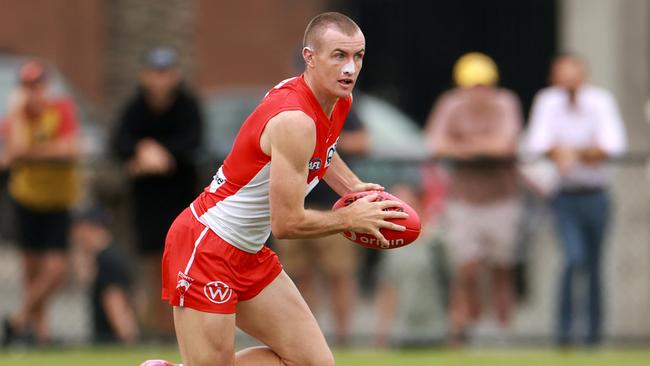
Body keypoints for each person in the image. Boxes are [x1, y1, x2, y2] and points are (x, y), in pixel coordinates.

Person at [142, 12, 408, 366]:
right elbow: (287, 224)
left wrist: (353, 185)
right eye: (339, 56)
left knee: (315, 363)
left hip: (248, 252)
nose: (350, 69)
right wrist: (348, 218)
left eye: (357, 56)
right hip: (206, 245)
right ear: (309, 57)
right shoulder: (293, 120)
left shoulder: (338, 100)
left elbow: (323, 150)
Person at [525, 54, 626, 346]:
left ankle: (594, 336)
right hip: (564, 197)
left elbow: (612, 145)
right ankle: (564, 334)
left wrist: (572, 153)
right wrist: (569, 152)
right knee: (573, 258)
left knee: (594, 265)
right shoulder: (547, 101)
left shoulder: (600, 101)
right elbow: (538, 144)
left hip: (596, 196)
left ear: (583, 75)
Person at [424, 52, 523, 345]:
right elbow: (434, 144)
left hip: (502, 199)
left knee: (502, 268)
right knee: (466, 270)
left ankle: (505, 330)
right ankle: (473, 328)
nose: (478, 92)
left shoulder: (506, 102)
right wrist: (481, 147)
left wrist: (462, 145)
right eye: (472, 85)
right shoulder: (450, 104)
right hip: (463, 201)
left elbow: (505, 146)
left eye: (484, 85)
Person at [112, 47, 203, 338]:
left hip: (181, 201)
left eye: (166, 73)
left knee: (184, 266)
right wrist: (142, 150)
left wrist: (161, 154)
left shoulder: (187, 105)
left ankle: (183, 329)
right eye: (155, 72)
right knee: (154, 266)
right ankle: (159, 329)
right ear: (145, 75)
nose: (161, 79)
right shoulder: (135, 107)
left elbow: (193, 141)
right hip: (147, 202)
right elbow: (119, 142)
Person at [273, 106, 369, 345]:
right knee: (299, 277)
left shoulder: (340, 105)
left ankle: (344, 337)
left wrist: (321, 140)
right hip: (295, 207)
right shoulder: (292, 110)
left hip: (333, 206)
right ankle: (307, 339)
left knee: (339, 274)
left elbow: (363, 142)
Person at [1, 60, 80, 346]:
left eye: (38, 85)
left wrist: (29, 153)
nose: (34, 93)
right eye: (27, 87)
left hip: (58, 201)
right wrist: (15, 112)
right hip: (28, 200)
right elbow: (14, 151)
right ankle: (40, 333)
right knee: (31, 270)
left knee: (56, 269)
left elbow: (69, 149)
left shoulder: (61, 110)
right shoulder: (16, 117)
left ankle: (19, 319)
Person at [70, 207, 139, 344]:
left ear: (87, 227)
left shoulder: (106, 260)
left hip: (110, 342)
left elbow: (115, 302)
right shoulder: (112, 255)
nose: (73, 236)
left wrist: (128, 339)